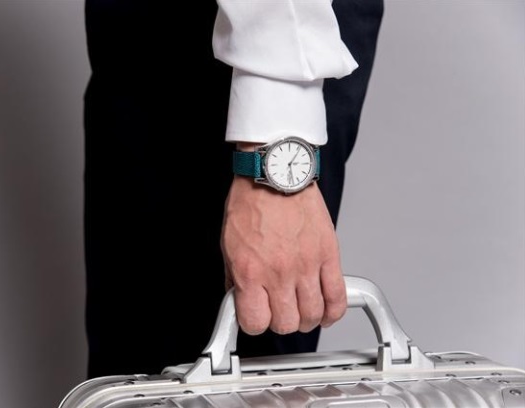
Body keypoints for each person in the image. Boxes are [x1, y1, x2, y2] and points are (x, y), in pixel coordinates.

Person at [84, 0, 384, 378]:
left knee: (227, 364)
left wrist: (273, 139)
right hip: (171, 38)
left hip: (241, 38)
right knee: (146, 361)